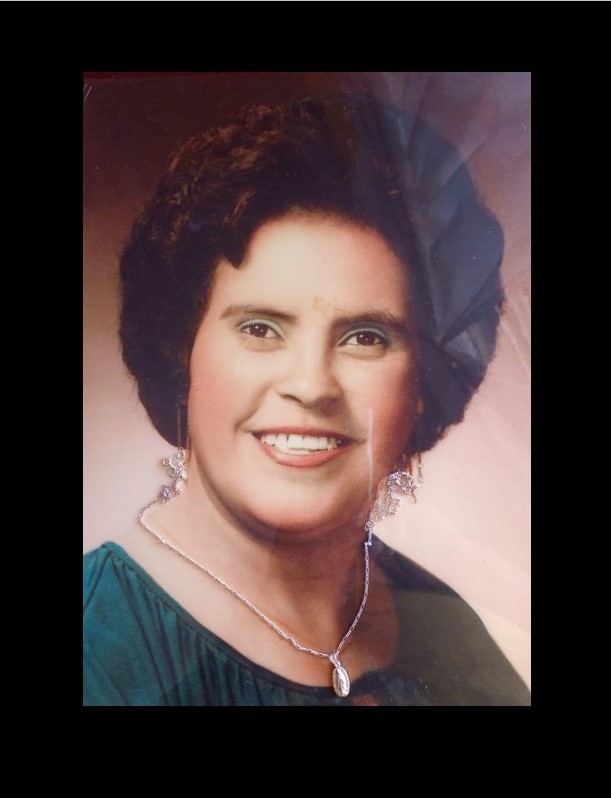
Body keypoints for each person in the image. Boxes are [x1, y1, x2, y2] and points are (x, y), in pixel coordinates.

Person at [83, 93, 531, 706]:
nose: (312, 385)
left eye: (365, 336)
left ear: (424, 384)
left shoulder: (443, 625)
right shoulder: (97, 642)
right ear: (180, 352)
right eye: (260, 328)